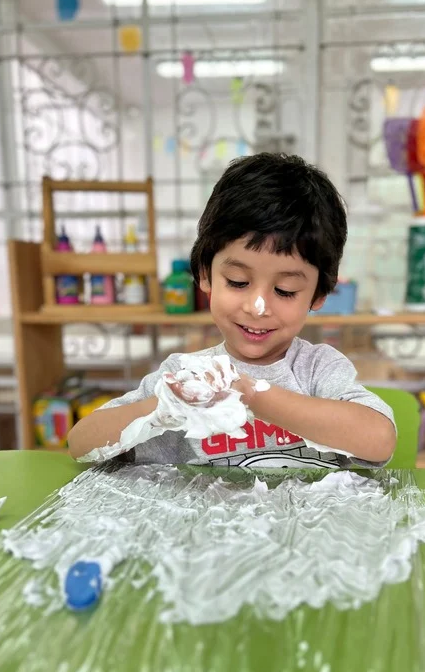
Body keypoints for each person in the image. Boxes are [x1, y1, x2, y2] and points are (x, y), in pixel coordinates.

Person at [68, 153, 396, 469]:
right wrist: (166, 406)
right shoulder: (184, 375)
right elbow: (81, 444)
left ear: (319, 294)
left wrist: (253, 396)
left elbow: (379, 440)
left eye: (285, 290)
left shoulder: (317, 370)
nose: (257, 307)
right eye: (238, 282)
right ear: (206, 275)